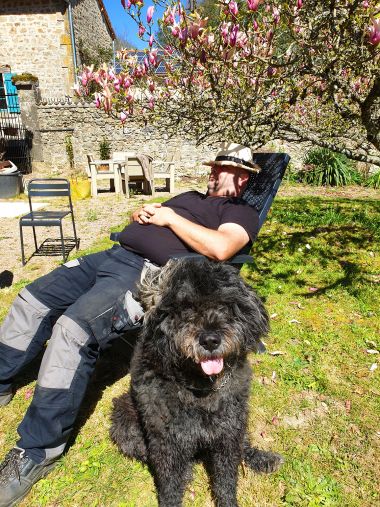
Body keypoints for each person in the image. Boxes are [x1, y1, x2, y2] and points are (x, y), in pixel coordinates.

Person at [0, 142, 261, 507]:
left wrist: (169, 220)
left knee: (73, 330)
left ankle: (38, 448)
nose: (221, 175)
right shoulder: (188, 195)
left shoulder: (239, 211)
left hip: (144, 273)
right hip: (111, 255)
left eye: (233, 172)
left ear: (245, 179)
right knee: (31, 300)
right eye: (219, 168)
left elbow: (220, 249)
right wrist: (146, 214)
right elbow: (156, 221)